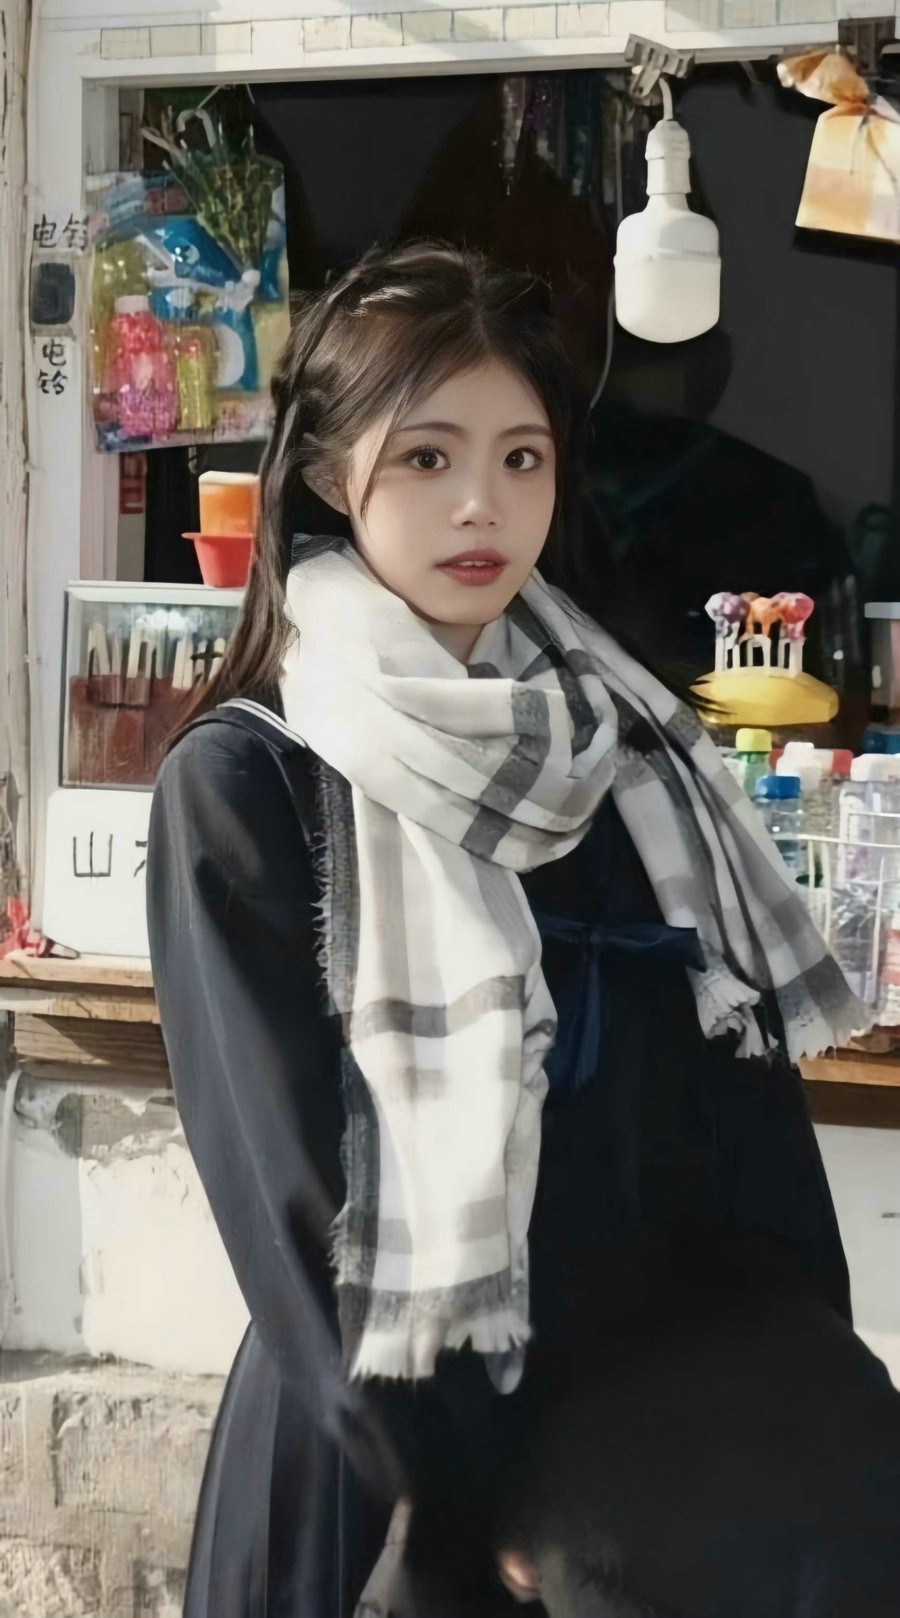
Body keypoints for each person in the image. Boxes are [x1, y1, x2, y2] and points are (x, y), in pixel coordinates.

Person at [146, 238, 900, 1618]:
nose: (480, 504)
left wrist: (811, 1425)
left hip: (648, 1484)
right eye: (426, 457)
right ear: (332, 476)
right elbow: (294, 1207)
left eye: (523, 458)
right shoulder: (251, 781)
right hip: (391, 1484)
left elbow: (749, 1142)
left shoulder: (631, 759)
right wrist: (464, 1502)